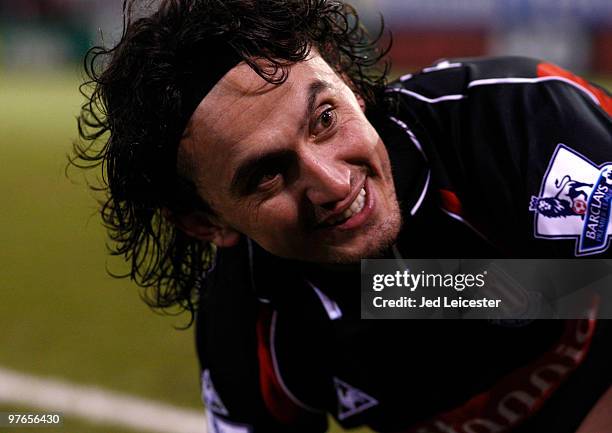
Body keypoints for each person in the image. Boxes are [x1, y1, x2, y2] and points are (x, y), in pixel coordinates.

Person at [72, 0, 612, 432]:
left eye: (325, 118)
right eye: (266, 174)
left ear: (346, 81)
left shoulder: (520, 121)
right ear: (205, 222)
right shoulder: (248, 329)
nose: (333, 183)